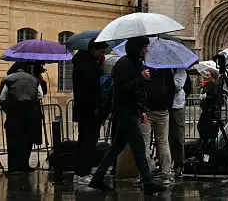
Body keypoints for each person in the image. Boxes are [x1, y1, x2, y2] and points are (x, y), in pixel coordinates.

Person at [89, 36, 164, 194]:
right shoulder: (123, 64)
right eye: (144, 46)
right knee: (139, 147)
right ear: (137, 48)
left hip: (131, 111)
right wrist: (140, 78)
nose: (146, 50)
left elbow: (137, 91)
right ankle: (148, 182)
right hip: (125, 112)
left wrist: (141, 109)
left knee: (116, 147)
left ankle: (97, 178)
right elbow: (123, 88)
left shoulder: (137, 63)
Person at [71, 39, 107, 187]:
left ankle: (80, 172)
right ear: (93, 49)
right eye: (102, 51)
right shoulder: (89, 66)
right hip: (91, 110)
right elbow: (93, 90)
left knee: (84, 140)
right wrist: (98, 109)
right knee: (89, 141)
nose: (102, 54)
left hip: (83, 109)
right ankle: (83, 172)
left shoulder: (82, 62)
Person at [0, 61, 44, 173]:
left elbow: (2, 98)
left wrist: (8, 109)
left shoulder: (8, 79)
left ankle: (13, 168)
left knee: (13, 141)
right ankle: (24, 165)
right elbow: (40, 95)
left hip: (14, 114)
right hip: (30, 114)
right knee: (27, 141)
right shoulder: (34, 79)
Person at [141, 65, 175, 183]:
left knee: (145, 142)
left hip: (146, 110)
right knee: (163, 142)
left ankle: (145, 173)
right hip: (162, 109)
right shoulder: (165, 68)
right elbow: (171, 88)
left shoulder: (143, 68)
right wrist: (168, 105)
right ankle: (166, 174)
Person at [169, 68, 192, 179]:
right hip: (163, 105)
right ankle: (165, 164)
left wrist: (166, 82)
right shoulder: (162, 68)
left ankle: (179, 165)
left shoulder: (180, 69)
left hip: (176, 105)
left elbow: (178, 86)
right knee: (164, 138)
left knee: (177, 137)